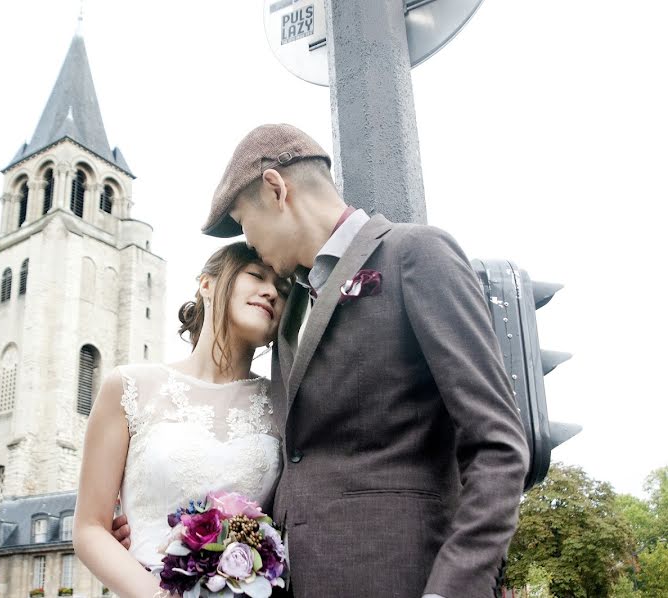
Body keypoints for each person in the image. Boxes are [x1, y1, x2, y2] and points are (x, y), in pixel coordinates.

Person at [198, 123, 530, 598]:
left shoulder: (415, 254)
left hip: (405, 577)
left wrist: (453, 588)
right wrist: (197, 540)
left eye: (243, 221)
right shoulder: (291, 311)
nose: (249, 243)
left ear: (276, 188)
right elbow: (301, 459)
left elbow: (497, 445)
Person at [73, 242, 292, 598]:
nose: (271, 292)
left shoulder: (283, 404)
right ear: (206, 284)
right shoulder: (129, 387)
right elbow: (89, 528)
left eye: (282, 291)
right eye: (255, 276)